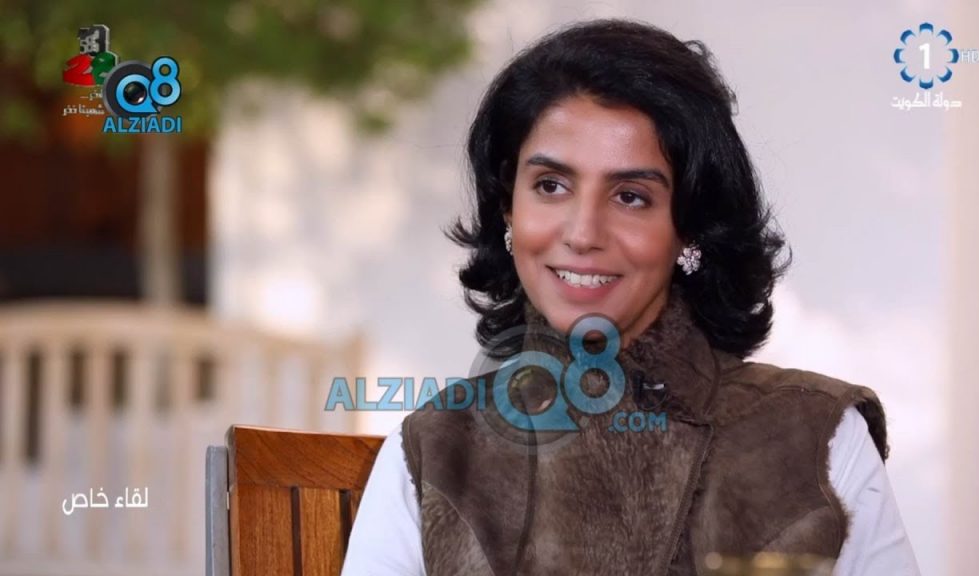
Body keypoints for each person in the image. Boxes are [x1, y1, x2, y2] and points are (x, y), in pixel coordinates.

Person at [341, 19, 920, 576]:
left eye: (631, 196)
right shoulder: (432, 452)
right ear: (507, 209)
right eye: (551, 185)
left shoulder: (819, 439)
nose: (583, 233)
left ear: (689, 229)